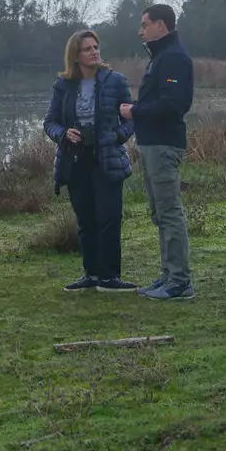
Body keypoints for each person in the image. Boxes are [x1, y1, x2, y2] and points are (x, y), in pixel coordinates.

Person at [43, 30, 137, 293]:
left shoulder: (115, 81)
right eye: (88, 49)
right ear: (76, 55)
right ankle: (91, 274)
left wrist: (117, 137)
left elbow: (131, 119)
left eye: (96, 47)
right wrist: (63, 134)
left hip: (106, 158)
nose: (95, 52)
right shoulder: (63, 85)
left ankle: (110, 277)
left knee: (109, 217)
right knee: (86, 219)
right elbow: (49, 122)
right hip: (75, 159)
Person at [120, 4, 195, 301]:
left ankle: (179, 281)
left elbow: (174, 104)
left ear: (161, 26)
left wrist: (134, 112)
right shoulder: (162, 57)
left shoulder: (174, 58)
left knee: (169, 212)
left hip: (164, 144)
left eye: (144, 24)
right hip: (152, 143)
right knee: (159, 212)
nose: (140, 31)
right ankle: (168, 275)